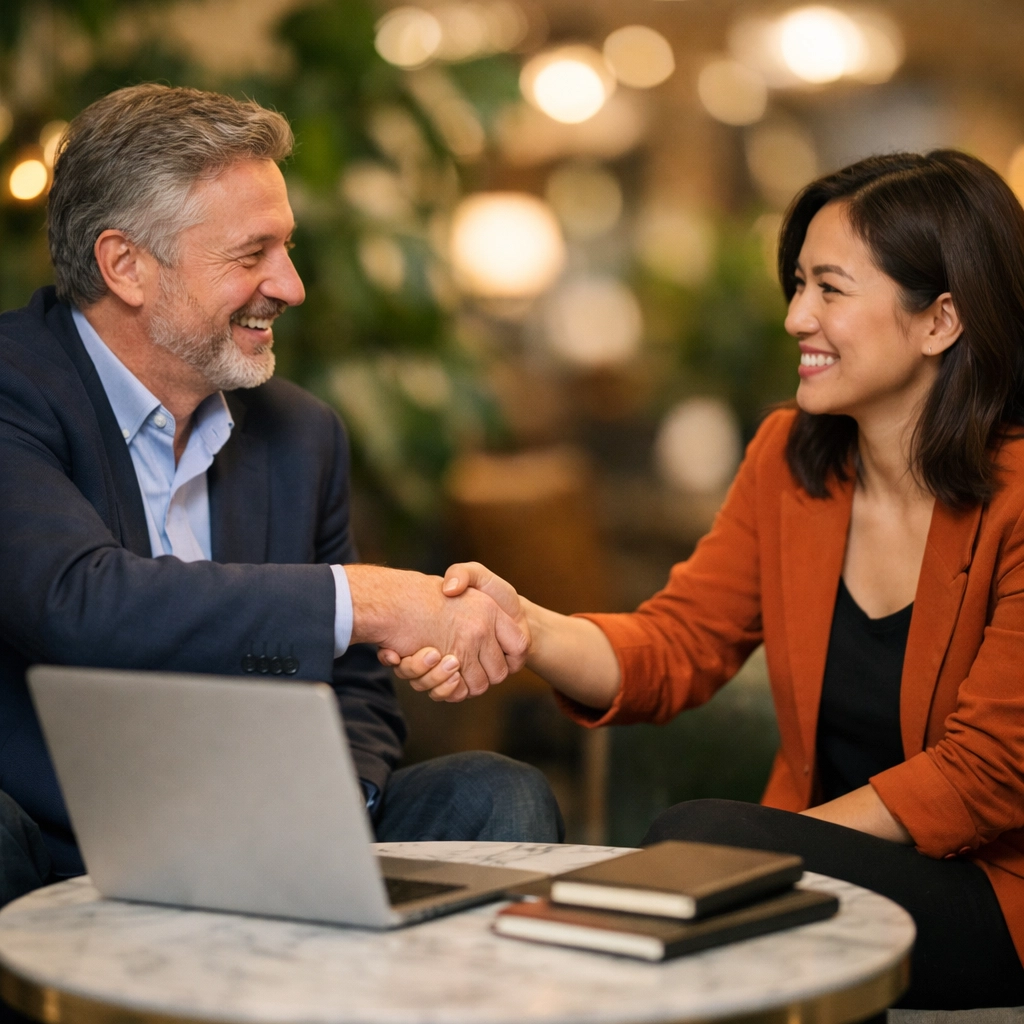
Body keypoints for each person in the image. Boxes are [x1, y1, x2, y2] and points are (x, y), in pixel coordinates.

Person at [388, 151, 1024, 1010]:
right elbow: (677, 645)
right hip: (825, 863)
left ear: (940, 319)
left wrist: (749, 853)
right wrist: (530, 627)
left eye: (831, 289)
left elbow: (988, 772)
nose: (798, 316)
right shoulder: (790, 463)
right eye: (798, 285)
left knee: (696, 839)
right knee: (675, 871)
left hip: (990, 892)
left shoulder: (1018, 497)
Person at [0, 84, 562, 910]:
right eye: (251, 253)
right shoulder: (14, 388)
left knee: (498, 796)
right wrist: (364, 601)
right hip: (54, 838)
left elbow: (358, 686)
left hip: (267, 832)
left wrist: (330, 811)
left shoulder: (302, 433)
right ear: (126, 265)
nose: (291, 286)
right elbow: (73, 599)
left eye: (286, 248)